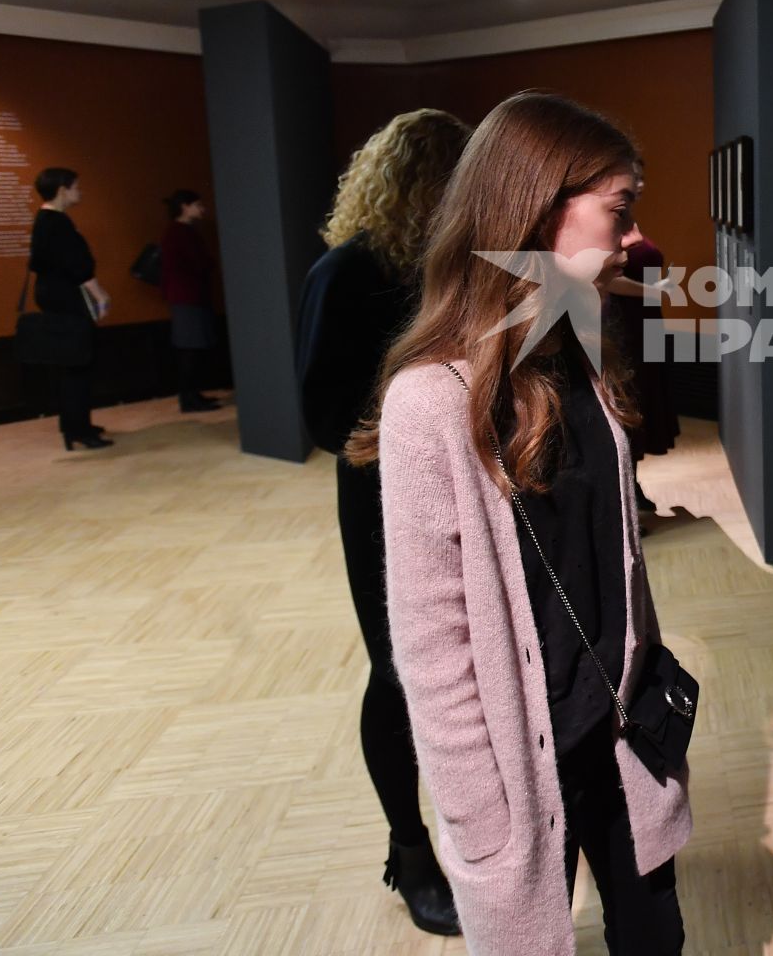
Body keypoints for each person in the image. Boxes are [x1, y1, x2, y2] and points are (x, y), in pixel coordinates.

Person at [347, 92, 691, 955]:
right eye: (619, 209)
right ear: (537, 207)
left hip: (624, 739)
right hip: (523, 764)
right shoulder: (431, 401)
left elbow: (611, 563)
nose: (631, 235)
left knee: (656, 938)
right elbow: (430, 646)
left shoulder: (579, 350)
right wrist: (479, 818)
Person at [294, 108, 472, 937]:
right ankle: (410, 848)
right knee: (398, 670)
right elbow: (325, 416)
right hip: (381, 497)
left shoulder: (460, 268)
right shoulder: (348, 271)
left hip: (471, 486)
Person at [602, 158, 679, 513]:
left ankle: (632, 487)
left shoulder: (626, 219)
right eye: (635, 175)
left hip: (644, 322)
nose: (642, 182)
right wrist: (654, 291)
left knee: (643, 401)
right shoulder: (609, 222)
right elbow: (607, 277)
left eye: (643, 175)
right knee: (627, 402)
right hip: (622, 325)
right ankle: (623, 496)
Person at [29, 167, 112, 451]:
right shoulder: (58, 222)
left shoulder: (43, 220)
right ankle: (80, 429)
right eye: (76, 186)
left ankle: (74, 424)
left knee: (71, 364)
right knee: (79, 364)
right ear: (62, 189)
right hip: (67, 300)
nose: (80, 192)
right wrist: (100, 295)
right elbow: (78, 265)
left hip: (54, 298)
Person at [160, 189, 223, 413]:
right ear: (185, 207)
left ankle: (192, 396)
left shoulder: (180, 232)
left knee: (192, 349)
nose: (201, 209)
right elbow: (199, 263)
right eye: (197, 204)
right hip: (188, 298)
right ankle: (189, 398)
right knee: (190, 349)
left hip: (188, 297)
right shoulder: (180, 233)